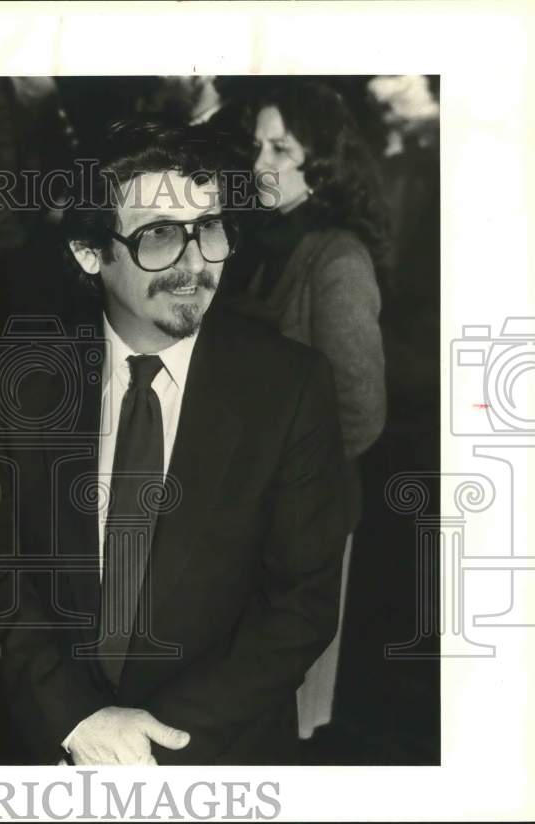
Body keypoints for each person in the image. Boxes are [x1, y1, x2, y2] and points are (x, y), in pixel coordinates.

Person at [0, 122, 348, 765]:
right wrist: (72, 719)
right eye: (160, 234)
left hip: (214, 751)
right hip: (54, 743)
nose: (195, 261)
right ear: (91, 252)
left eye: (209, 228)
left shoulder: (288, 386)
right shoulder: (24, 377)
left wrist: (151, 738)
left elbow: (302, 607)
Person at [241, 81, 388, 739]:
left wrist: (290, 479)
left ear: (319, 161)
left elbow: (362, 411)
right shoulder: (257, 242)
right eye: (256, 148)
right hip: (247, 508)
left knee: (293, 712)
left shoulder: (338, 259)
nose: (260, 165)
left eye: (281, 149)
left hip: (309, 517)